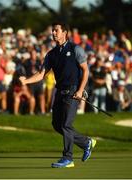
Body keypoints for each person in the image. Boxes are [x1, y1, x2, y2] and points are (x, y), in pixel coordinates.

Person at [19, 22, 96, 168]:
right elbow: (42, 74)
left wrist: (80, 90)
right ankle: (86, 142)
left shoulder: (75, 49)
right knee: (57, 125)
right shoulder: (51, 54)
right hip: (59, 91)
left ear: (65, 32)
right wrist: (26, 81)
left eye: (56, 30)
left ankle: (68, 158)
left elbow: (85, 71)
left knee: (66, 124)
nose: (53, 33)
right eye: (53, 31)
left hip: (73, 91)